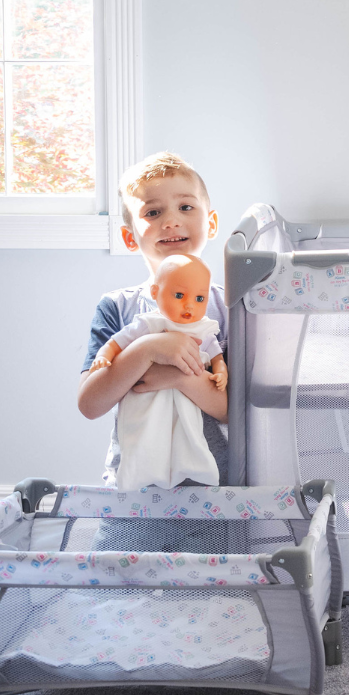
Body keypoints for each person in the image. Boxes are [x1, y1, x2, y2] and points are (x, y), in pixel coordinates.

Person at [77, 152, 228, 487]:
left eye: (185, 207)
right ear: (130, 237)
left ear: (211, 223)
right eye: (153, 212)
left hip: (217, 487)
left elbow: (234, 411)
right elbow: (90, 404)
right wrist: (147, 350)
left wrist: (178, 377)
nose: (171, 221)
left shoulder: (230, 308)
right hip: (134, 484)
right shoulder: (116, 307)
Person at [88, 254, 227, 490]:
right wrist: (108, 356)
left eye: (199, 298)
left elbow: (217, 359)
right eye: (179, 296)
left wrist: (218, 374)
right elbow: (114, 344)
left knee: (188, 439)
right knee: (147, 437)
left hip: (204, 488)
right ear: (155, 292)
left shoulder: (207, 326)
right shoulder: (146, 323)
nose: (189, 305)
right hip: (147, 407)